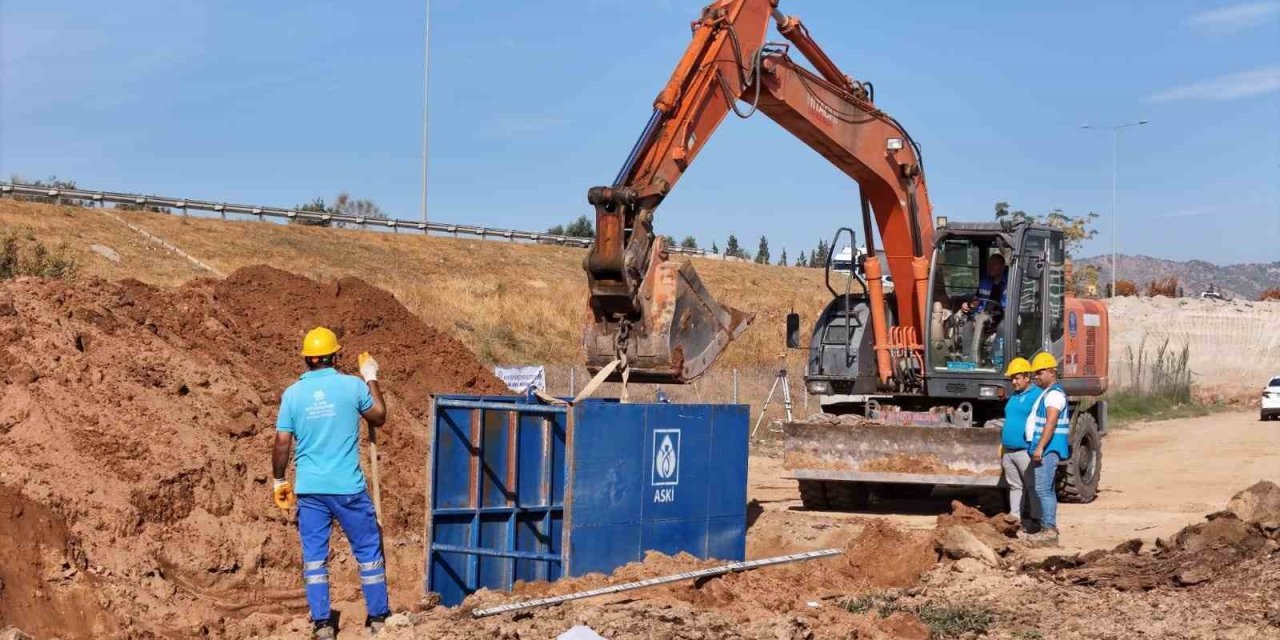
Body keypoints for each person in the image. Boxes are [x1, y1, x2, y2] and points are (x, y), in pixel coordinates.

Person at [272, 327, 390, 639]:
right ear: (335, 356)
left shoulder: (292, 394)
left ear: (307, 359)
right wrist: (370, 377)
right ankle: (379, 618)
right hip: (348, 488)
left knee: (314, 558)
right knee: (367, 550)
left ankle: (323, 624)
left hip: (310, 490)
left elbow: (282, 442)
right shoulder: (352, 386)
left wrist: (279, 480)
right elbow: (379, 416)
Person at [1025, 351, 1071, 547]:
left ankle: (1048, 530)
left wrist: (1040, 447)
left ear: (1052, 372)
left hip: (1048, 448)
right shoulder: (1048, 393)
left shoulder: (1054, 395)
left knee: (1043, 489)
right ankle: (1048, 527)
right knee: (1046, 489)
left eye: (1040, 372)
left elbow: (1050, 423)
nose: (1036, 376)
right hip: (1046, 447)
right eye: (1035, 373)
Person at [1000, 357, 1040, 530]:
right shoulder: (1014, 396)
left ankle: (1036, 520)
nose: (1013, 382)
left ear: (1026, 377)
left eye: (1017, 378)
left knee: (1032, 485)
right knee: (1014, 486)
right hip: (1008, 451)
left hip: (1025, 450)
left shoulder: (1036, 395)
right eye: (1012, 379)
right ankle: (1015, 518)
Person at [959, 253, 1007, 365]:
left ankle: (997, 359)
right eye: (989, 264)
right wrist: (968, 305)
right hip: (984, 317)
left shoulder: (1010, 283)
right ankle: (968, 358)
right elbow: (977, 300)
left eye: (994, 264)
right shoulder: (985, 281)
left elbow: (1009, 307)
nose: (990, 267)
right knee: (967, 326)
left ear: (1002, 266)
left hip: (1002, 318)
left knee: (1003, 327)